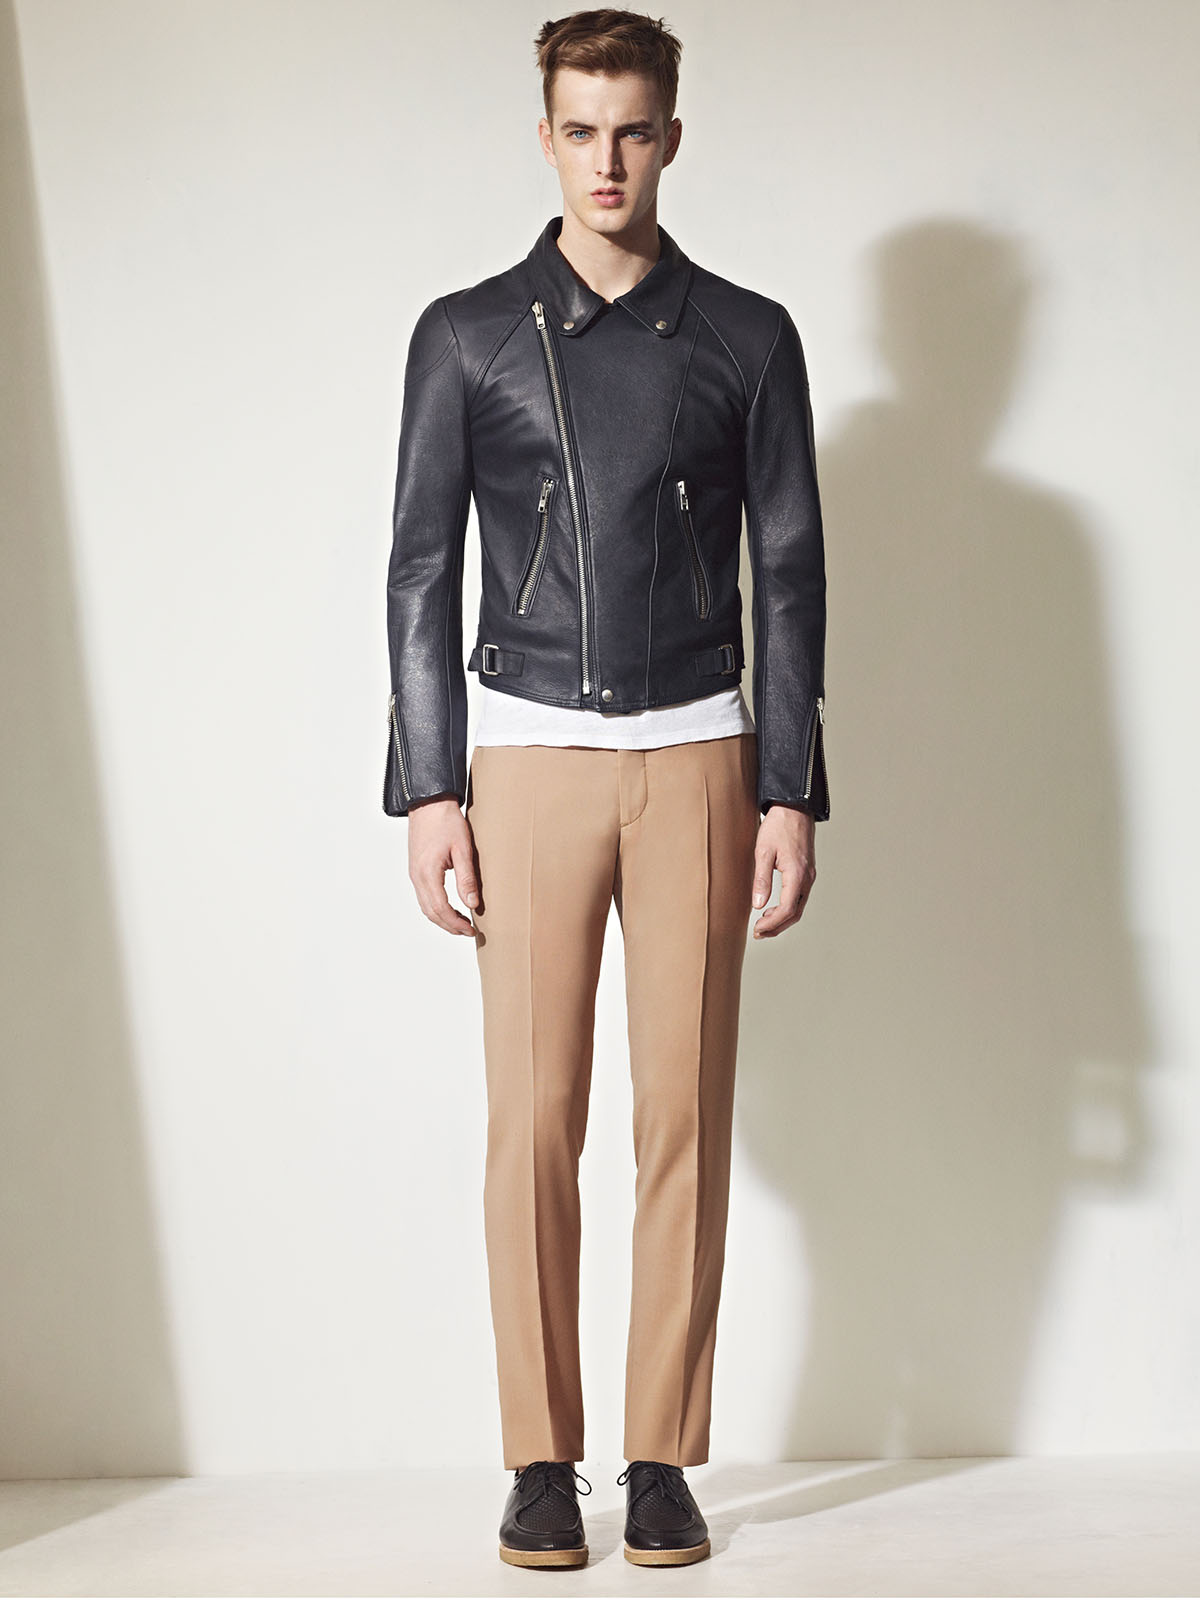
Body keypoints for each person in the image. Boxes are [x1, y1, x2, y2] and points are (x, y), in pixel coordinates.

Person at [383, 6, 828, 1570]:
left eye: (633, 130)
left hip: (701, 754)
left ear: (672, 136)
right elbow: (420, 568)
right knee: (533, 1121)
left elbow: (789, 571)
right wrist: (428, 787)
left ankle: (659, 1456)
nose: (607, 162)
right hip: (523, 761)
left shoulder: (748, 338)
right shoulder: (466, 336)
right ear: (546, 138)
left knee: (682, 1116)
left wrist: (790, 788)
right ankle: (536, 1454)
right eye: (581, 130)